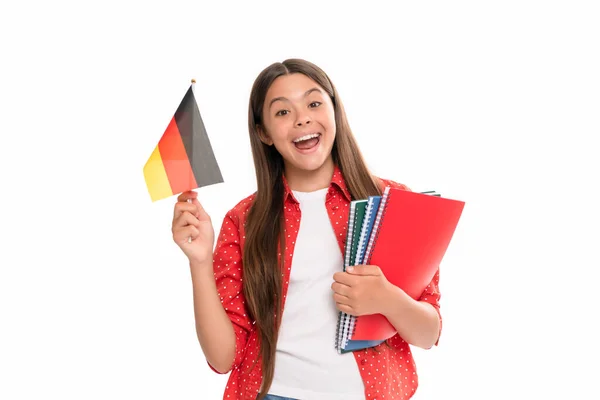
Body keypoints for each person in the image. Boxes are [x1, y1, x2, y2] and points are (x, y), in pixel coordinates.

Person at [171, 59, 442, 400]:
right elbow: (223, 358)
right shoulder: (244, 220)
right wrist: (199, 261)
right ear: (264, 133)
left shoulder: (396, 204)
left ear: (334, 112)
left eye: (314, 103)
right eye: (282, 112)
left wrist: (387, 300)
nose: (302, 118)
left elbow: (427, 334)